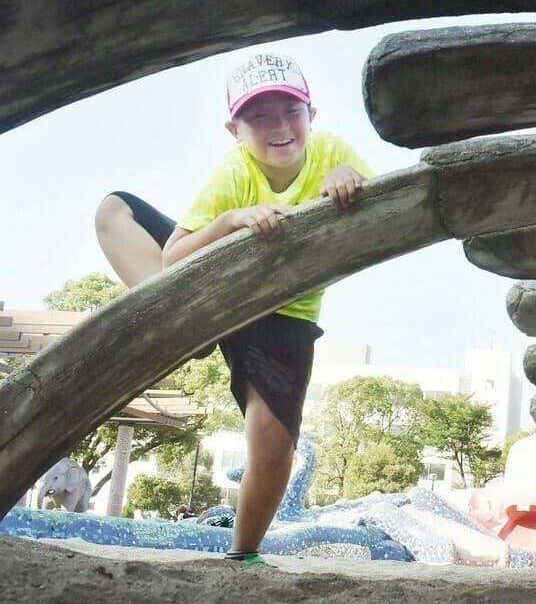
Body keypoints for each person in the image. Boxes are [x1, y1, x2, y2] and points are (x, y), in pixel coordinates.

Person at [93, 52, 372, 568]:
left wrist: (346, 174)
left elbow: (372, 203)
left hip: (285, 315)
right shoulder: (234, 170)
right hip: (214, 289)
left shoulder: (330, 148)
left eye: (291, 112)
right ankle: (180, 328)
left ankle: (243, 553)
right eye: (260, 117)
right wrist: (232, 220)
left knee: (273, 442)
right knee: (115, 209)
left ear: (312, 115)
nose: (280, 127)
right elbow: (175, 253)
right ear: (234, 128)